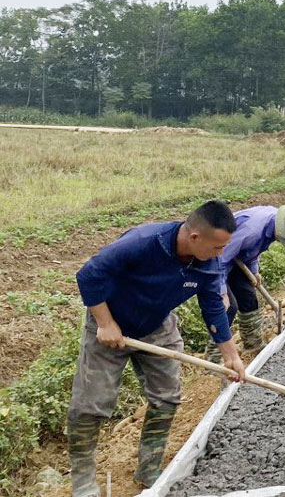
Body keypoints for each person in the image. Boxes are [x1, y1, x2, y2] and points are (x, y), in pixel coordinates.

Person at [68, 201, 246, 495]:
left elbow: (214, 307)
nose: (222, 254)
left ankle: (149, 468)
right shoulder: (142, 243)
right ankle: (83, 481)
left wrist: (232, 356)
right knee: (91, 404)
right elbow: (88, 274)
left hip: (156, 325)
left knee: (167, 397)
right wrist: (105, 322)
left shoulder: (208, 264)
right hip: (110, 323)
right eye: (217, 247)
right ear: (194, 238)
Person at [214, 205, 285, 355]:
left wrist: (254, 270)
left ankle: (252, 344)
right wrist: (222, 291)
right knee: (228, 306)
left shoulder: (275, 223)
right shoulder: (251, 231)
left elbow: (252, 249)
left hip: (234, 257)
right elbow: (220, 260)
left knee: (248, 297)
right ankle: (214, 357)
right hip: (214, 259)